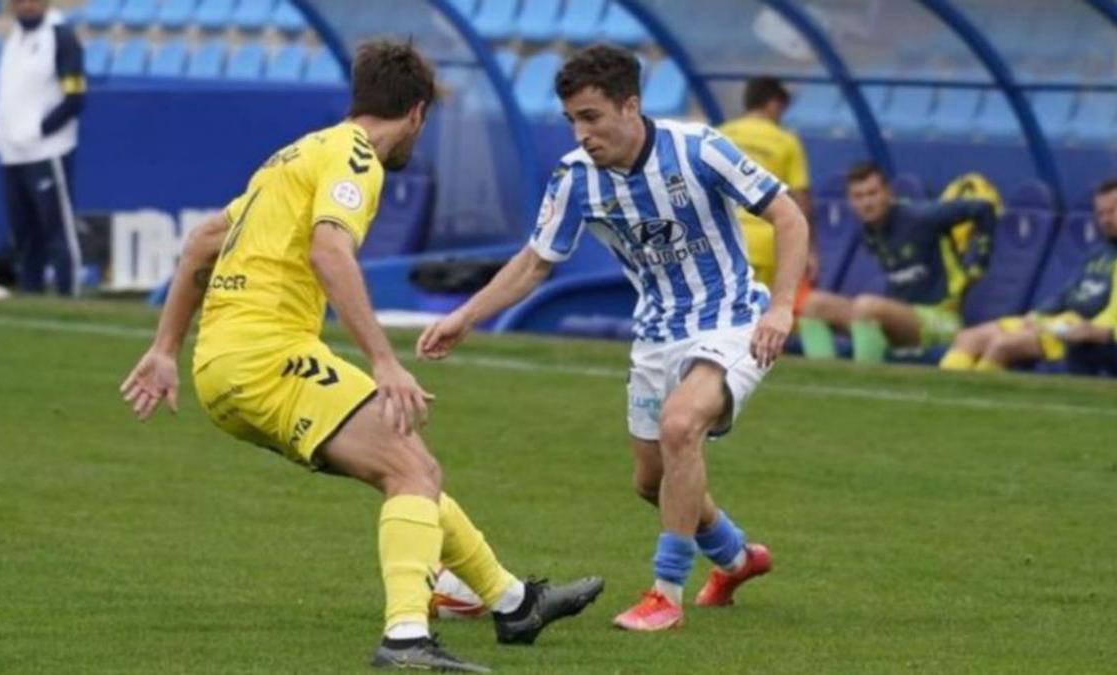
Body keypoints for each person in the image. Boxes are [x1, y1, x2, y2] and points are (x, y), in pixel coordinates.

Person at [119, 41, 602, 672]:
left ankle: (514, 603)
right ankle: (406, 638)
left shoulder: (295, 155)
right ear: (417, 115)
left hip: (224, 367)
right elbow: (329, 252)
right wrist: (383, 359)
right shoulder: (355, 159)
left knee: (410, 468)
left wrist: (164, 350)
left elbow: (203, 242)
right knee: (411, 471)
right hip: (268, 356)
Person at [416, 45, 810, 632]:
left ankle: (665, 593)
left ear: (631, 106)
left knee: (681, 427)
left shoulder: (698, 149)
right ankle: (734, 557)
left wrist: (780, 308)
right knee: (653, 481)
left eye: (592, 117)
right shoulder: (576, 180)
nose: (582, 133)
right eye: (572, 119)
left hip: (732, 317)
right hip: (656, 333)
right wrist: (464, 317)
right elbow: (535, 262)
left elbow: (788, 216)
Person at [798, 162, 997, 363]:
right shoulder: (868, 231)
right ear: (850, 202)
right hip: (899, 318)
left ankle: (863, 378)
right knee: (813, 304)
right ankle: (826, 378)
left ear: (888, 193)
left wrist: (979, 262)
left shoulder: (918, 217)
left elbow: (982, 209)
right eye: (859, 196)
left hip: (940, 319)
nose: (867, 202)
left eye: (872, 193)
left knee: (867, 306)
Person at [939, 179, 1117, 375]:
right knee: (968, 338)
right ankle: (941, 394)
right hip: (1057, 321)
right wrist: (1037, 315)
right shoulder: (1098, 253)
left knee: (1002, 345)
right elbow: (1067, 293)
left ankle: (976, 400)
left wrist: (1089, 328)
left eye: (1113, 211)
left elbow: (1107, 315)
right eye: (1101, 213)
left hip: (1082, 327)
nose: (1106, 220)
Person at [0, 0, 86, 297]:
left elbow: (75, 96)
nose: (25, 5)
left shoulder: (60, 37)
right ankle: (30, 292)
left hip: (46, 151)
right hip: (11, 152)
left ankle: (68, 291)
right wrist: (4, 135)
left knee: (56, 228)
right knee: (24, 231)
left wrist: (37, 131)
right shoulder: (13, 39)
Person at [718, 77, 814, 306]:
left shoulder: (720, 135)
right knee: (761, 321)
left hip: (724, 240)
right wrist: (807, 249)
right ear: (773, 104)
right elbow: (800, 198)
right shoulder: (786, 141)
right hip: (766, 243)